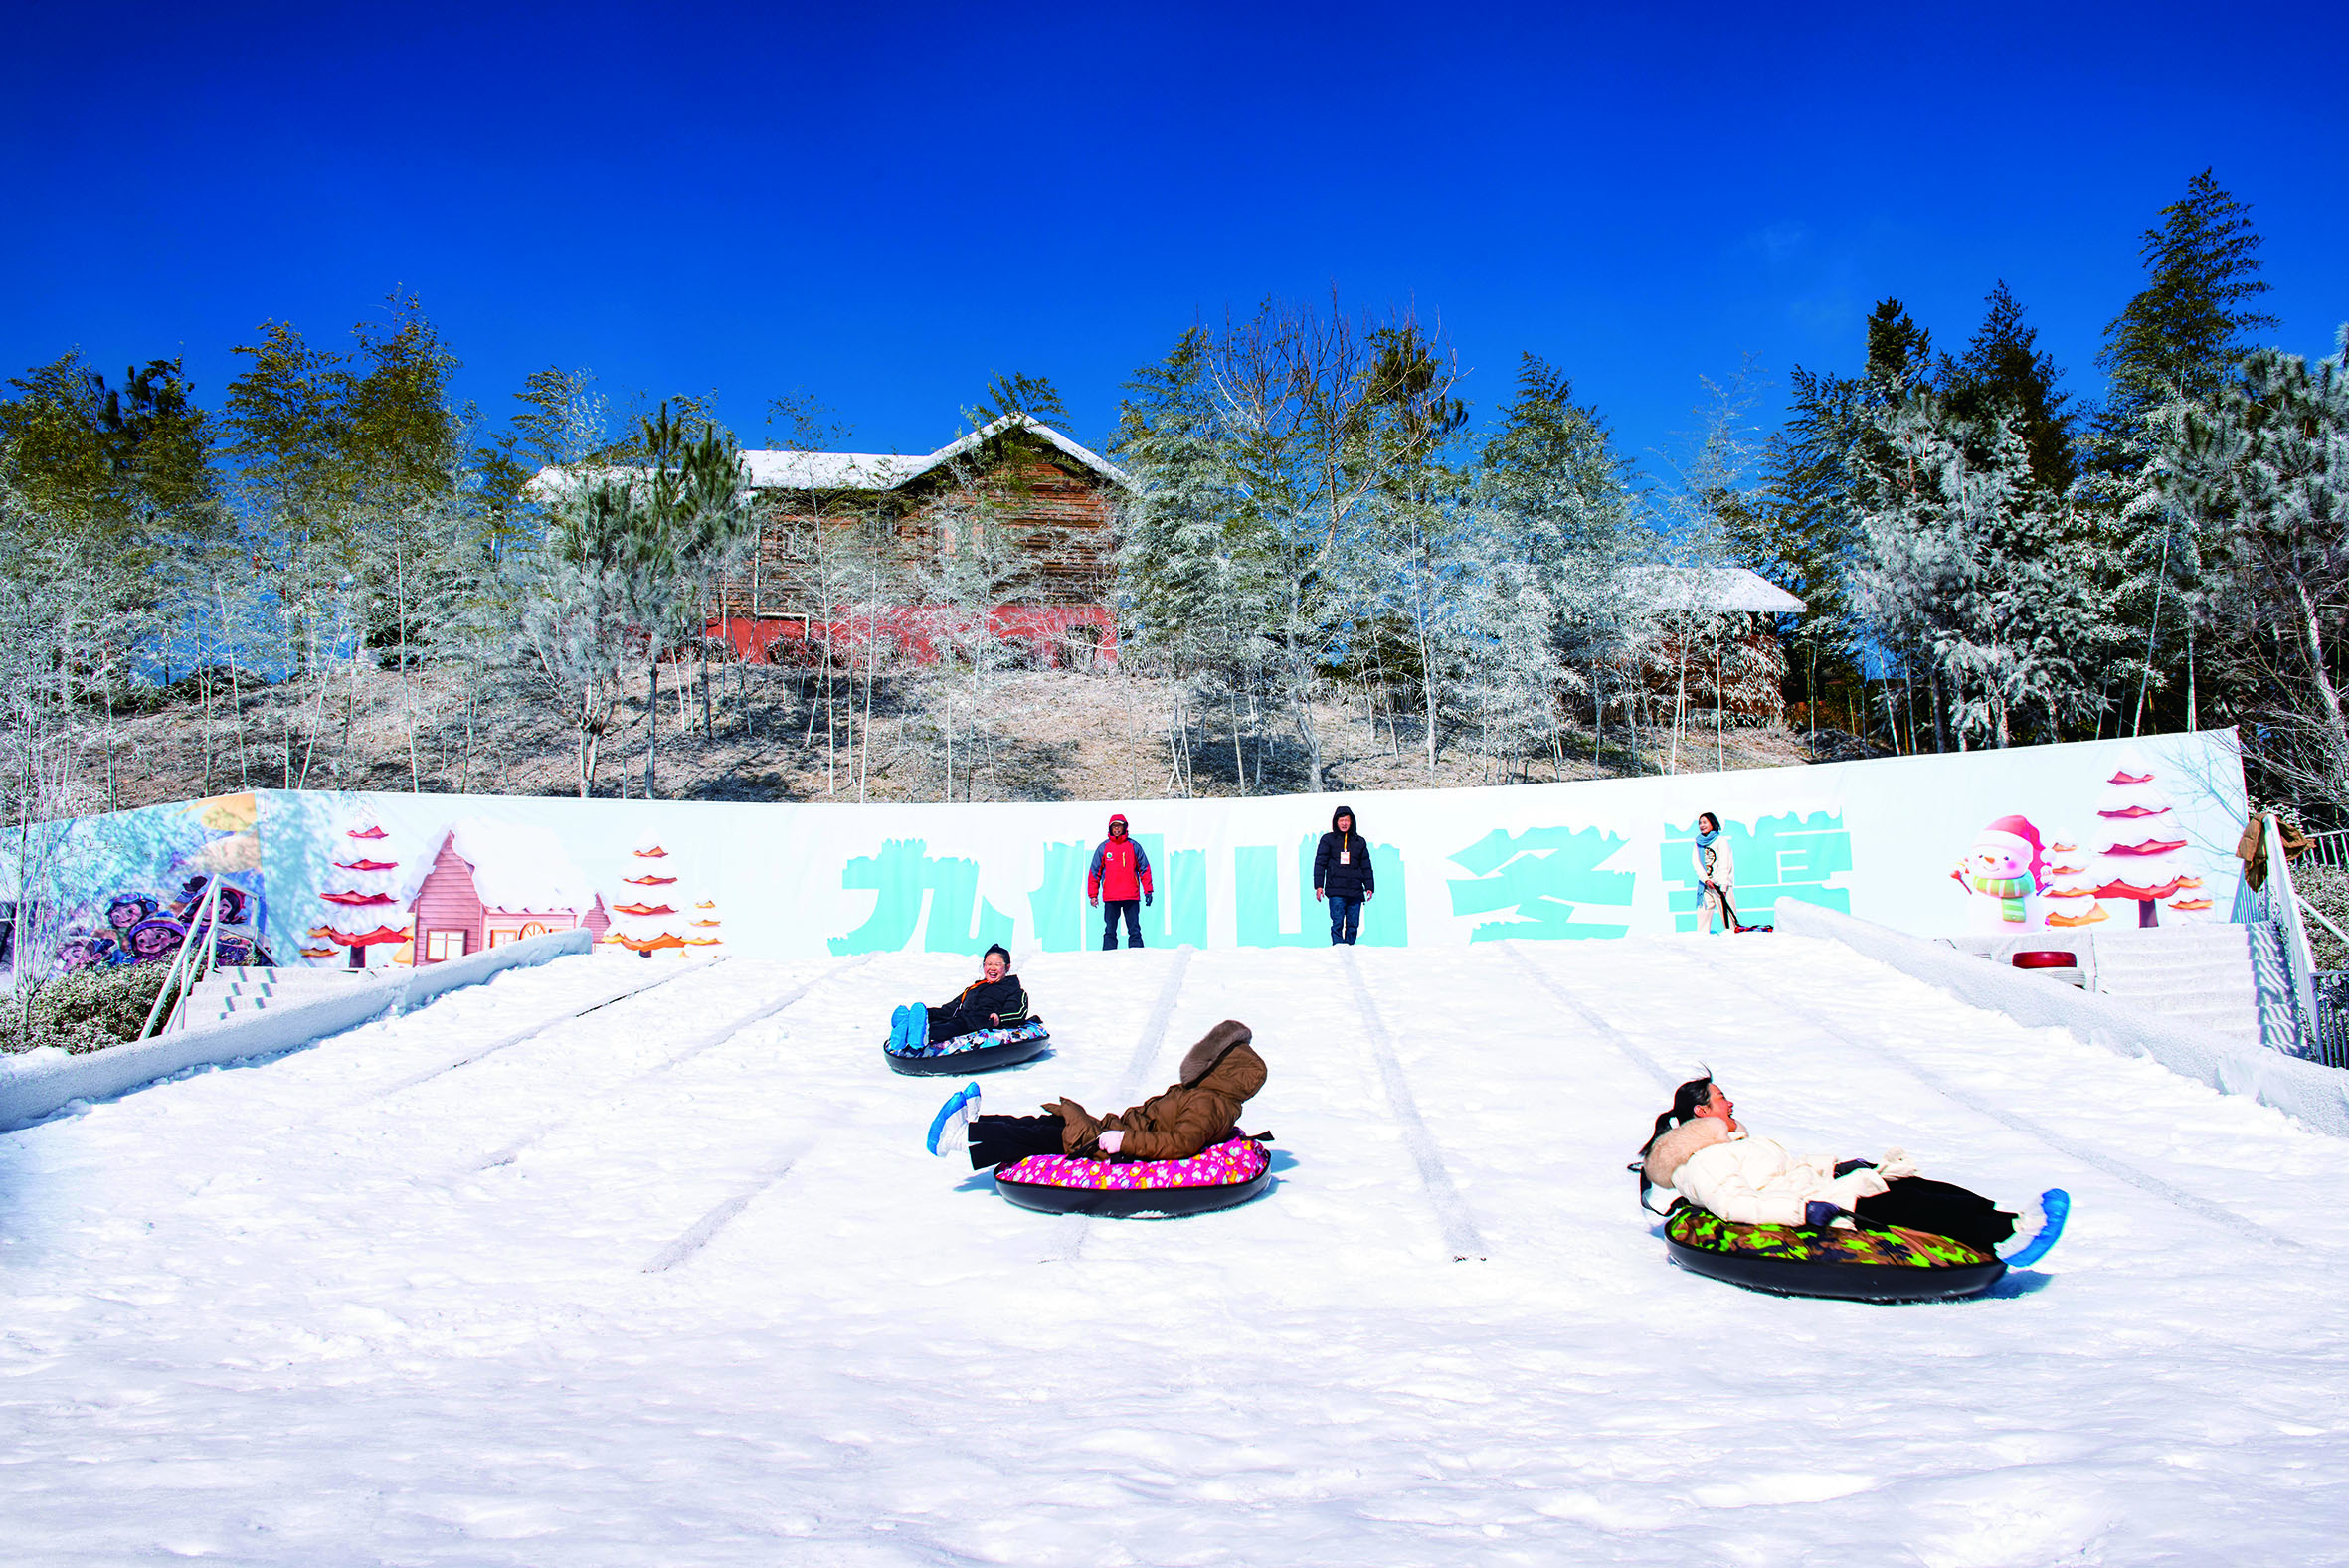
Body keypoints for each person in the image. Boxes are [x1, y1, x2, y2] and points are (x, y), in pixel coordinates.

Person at [1635, 1074, 2066, 1262]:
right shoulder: (1704, 1161)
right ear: (1702, 1110)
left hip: (1818, 1190)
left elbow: (1787, 1169)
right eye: (1722, 1098)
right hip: (1812, 1208)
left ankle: (2010, 1220)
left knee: (1917, 1185)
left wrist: (1839, 1165)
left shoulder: (1736, 1143)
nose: (1731, 1104)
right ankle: (2004, 1238)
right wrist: (1804, 1214)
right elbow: (1735, 1204)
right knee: (1908, 1205)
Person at [927, 1020, 1266, 1170]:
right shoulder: (1208, 1095)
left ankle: (958, 1138)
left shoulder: (1208, 1103)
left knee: (1037, 1136)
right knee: (1042, 1126)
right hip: (1114, 1128)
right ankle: (974, 1125)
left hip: (1111, 1142)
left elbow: (1181, 1144)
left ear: (1223, 1069)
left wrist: (1122, 1142)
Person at [889, 944, 1030, 1051]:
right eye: (988, 964)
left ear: (1007, 967)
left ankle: (922, 1033)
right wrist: (928, 1013)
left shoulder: (1015, 991)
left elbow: (1017, 1013)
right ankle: (908, 1022)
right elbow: (950, 1009)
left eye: (997, 965)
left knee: (951, 1027)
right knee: (942, 1019)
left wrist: (999, 1018)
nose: (992, 968)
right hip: (959, 1018)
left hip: (978, 1023)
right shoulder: (975, 988)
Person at [1087, 813, 1154, 951]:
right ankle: (1107, 959)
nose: (1117, 829)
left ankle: (1138, 958)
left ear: (1124, 828)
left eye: (1119, 826)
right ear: (1110, 829)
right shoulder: (1103, 848)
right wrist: (1093, 895)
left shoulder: (1134, 846)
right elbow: (1094, 872)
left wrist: (1148, 890)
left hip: (1131, 896)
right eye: (1114, 826)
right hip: (1111, 897)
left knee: (1134, 930)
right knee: (1110, 930)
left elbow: (1144, 869)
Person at [1312, 804, 1375, 946]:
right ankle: (1338, 952)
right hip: (1336, 890)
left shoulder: (1359, 841)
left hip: (1355, 890)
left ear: (1351, 822)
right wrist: (1318, 886)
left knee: (1353, 926)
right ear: (1336, 822)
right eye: (1341, 820)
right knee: (1337, 923)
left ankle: (1350, 952)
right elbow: (1320, 864)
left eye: (1346, 820)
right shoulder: (1327, 840)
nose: (1344, 823)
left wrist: (1370, 886)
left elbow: (1366, 866)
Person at [1692, 812, 1737, 934]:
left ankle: (1734, 942)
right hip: (1706, 885)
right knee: (1702, 916)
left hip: (1721, 886)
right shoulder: (1698, 843)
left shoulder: (1721, 841)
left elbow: (1724, 864)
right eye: (1700, 823)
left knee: (1729, 920)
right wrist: (1706, 880)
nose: (1702, 825)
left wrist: (1722, 885)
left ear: (1713, 823)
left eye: (1705, 822)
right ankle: (1702, 941)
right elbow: (1696, 863)